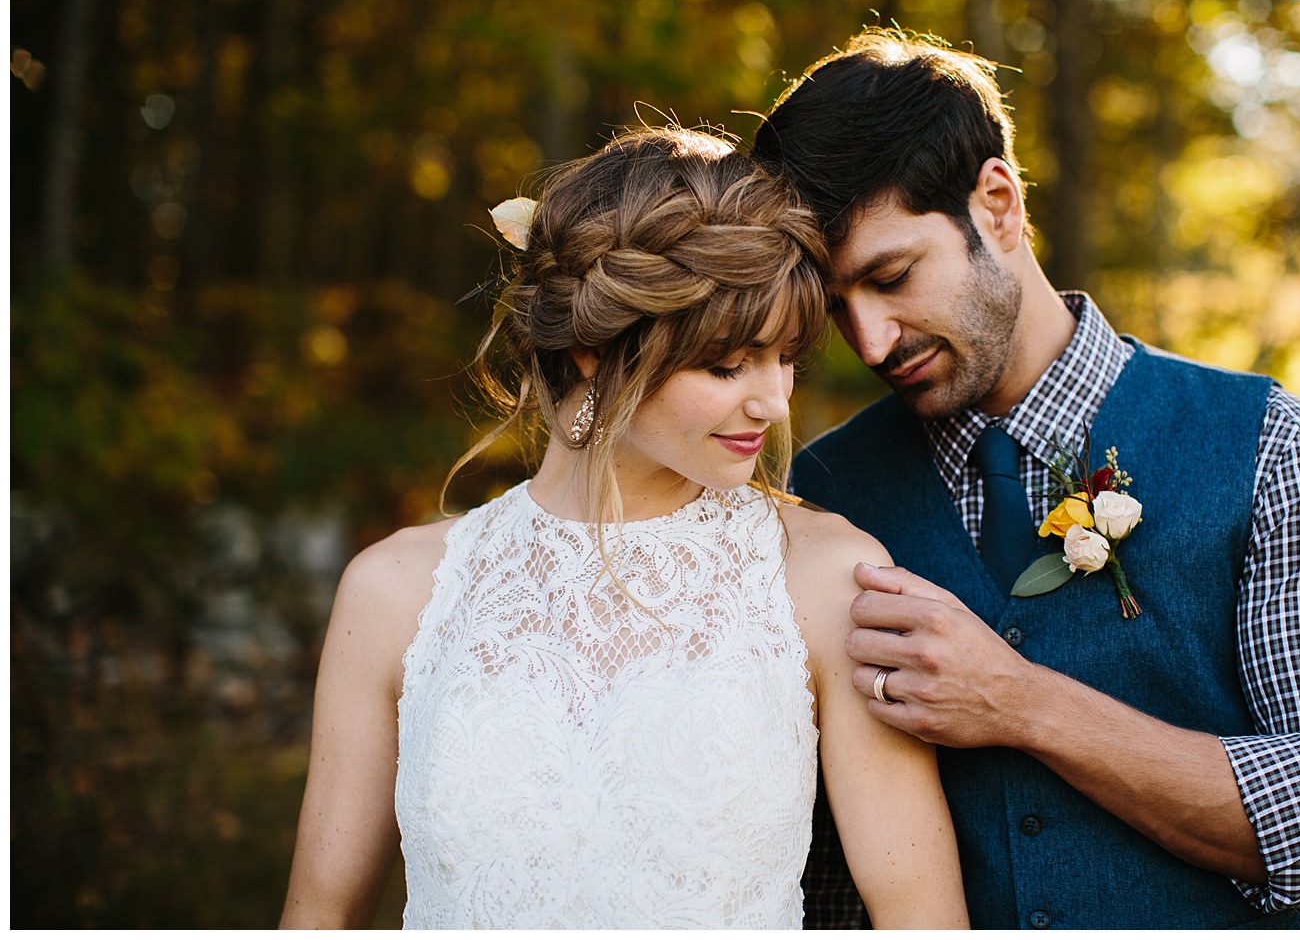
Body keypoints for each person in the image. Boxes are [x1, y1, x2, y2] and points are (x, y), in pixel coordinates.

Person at [751, 29, 1300, 930]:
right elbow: (818, 875)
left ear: (995, 204)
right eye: (835, 307)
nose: (870, 342)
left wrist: (1021, 701)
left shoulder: (1269, 444)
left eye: (893, 276)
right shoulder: (813, 496)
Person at [278, 127, 969, 929]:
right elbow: (318, 914)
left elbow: (925, 919)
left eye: (783, 356)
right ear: (590, 351)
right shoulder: (393, 593)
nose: (773, 402)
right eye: (725, 364)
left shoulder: (826, 580)